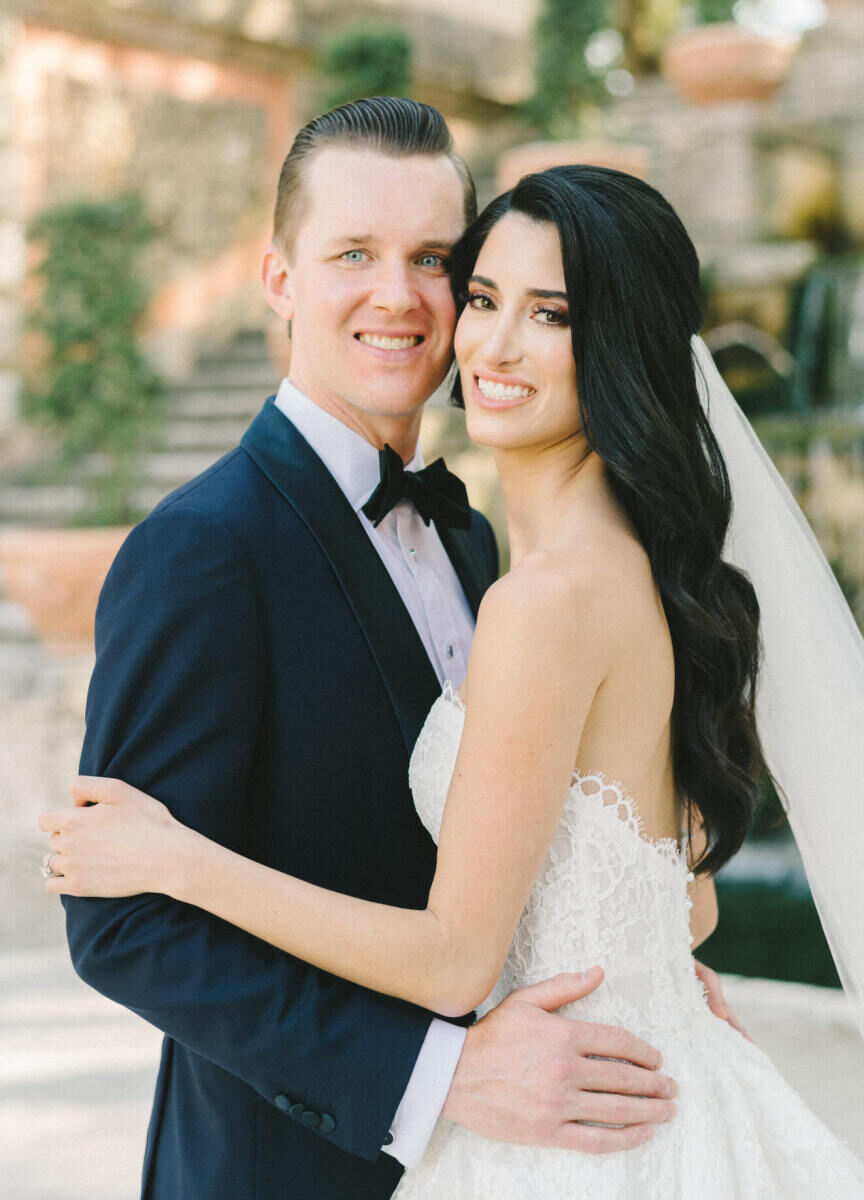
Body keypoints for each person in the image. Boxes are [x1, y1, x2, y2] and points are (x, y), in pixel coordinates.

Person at [41, 162, 864, 1195]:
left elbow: (467, 945)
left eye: (437, 264)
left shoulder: (503, 567)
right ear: (279, 277)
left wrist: (178, 856)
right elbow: (122, 926)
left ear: (620, 346)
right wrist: (608, 992)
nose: (479, 335)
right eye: (484, 298)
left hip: (573, 1131)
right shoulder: (205, 548)